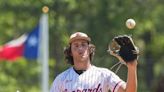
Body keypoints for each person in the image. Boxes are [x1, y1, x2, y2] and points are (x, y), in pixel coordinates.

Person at [50, 32, 138, 92]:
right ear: (70, 52)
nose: (80, 48)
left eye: (83, 45)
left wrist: (132, 67)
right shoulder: (61, 80)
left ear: (89, 49)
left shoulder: (104, 74)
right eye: (76, 46)